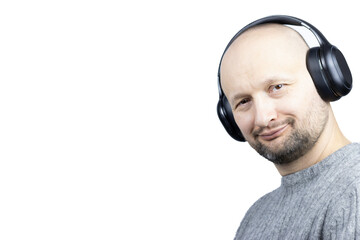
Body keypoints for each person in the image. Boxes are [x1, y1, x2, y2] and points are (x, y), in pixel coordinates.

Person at [217, 16, 360, 239]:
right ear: (229, 117)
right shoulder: (255, 217)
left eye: (277, 87)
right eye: (243, 102)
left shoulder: (354, 192)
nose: (263, 118)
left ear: (324, 79)